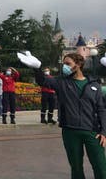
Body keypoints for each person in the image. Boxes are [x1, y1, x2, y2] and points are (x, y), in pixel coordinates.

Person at [19, 51, 106, 179]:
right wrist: (37, 68)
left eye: (68, 63)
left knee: (100, 165)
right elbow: (43, 81)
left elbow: (101, 109)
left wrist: (104, 131)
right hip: (70, 131)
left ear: (78, 64)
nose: (64, 66)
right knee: (76, 168)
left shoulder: (94, 85)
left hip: (93, 131)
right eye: (63, 63)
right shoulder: (61, 82)